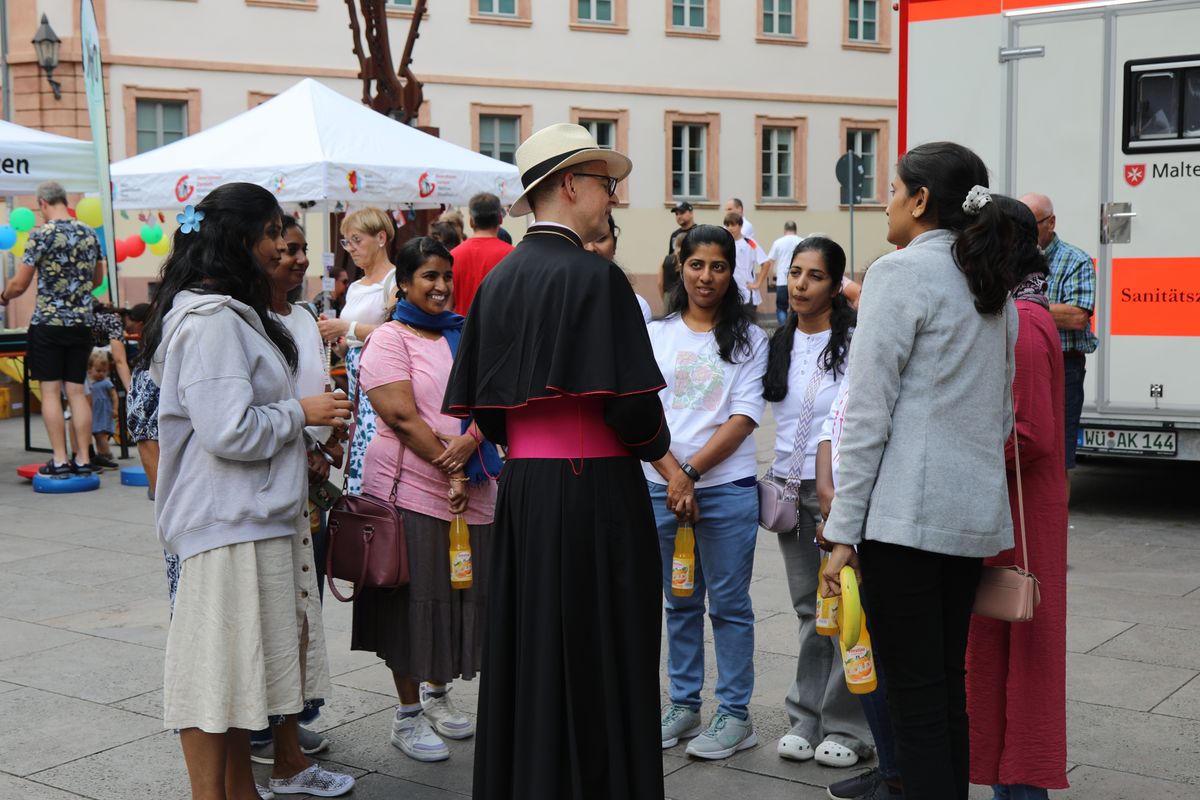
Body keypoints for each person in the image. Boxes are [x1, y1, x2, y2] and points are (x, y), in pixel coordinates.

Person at [444, 123, 671, 800]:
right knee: (604, 646)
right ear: (571, 184)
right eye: (606, 183)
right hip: (595, 490)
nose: (613, 197)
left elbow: (487, 413)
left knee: (532, 646)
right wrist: (663, 456)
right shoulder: (598, 278)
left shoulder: (497, 281)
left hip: (526, 490)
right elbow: (633, 412)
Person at [139, 182, 354, 800]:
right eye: (271, 233)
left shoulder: (226, 314)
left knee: (236, 682)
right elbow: (227, 429)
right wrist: (301, 412)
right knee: (213, 681)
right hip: (229, 523)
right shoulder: (210, 323)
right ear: (239, 239)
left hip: (249, 517)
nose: (280, 247)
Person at [821, 143, 1020, 800]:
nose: (886, 203)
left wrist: (842, 530)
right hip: (968, 518)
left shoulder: (899, 273)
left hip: (905, 520)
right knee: (944, 691)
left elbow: (867, 413)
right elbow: (1001, 413)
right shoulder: (990, 282)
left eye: (892, 189)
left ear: (921, 199)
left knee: (915, 703)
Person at [351, 236, 498, 763]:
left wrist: (471, 443)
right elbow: (401, 416)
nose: (440, 286)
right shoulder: (388, 338)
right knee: (414, 603)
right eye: (429, 277)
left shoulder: (464, 332)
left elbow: (494, 399)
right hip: (409, 491)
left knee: (458, 595)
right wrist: (451, 466)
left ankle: (437, 695)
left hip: (472, 487)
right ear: (404, 284)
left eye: (446, 276)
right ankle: (407, 714)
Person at [647, 224, 768, 759]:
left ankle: (736, 714)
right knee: (679, 601)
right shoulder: (657, 333)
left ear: (732, 272)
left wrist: (689, 474)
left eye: (718, 266)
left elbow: (743, 417)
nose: (706, 276)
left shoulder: (750, 339)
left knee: (730, 605)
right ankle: (684, 704)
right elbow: (642, 414)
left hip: (724, 490)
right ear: (682, 266)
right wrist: (672, 474)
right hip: (660, 487)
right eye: (697, 264)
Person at [967, 196, 1069, 800]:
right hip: (1013, 506)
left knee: (1020, 653)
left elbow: (1029, 434)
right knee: (999, 652)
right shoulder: (1021, 310)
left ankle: (1021, 787)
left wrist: (960, 449)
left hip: (1021, 511)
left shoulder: (1025, 321)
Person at [761, 236, 869, 769]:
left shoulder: (854, 342)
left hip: (840, 492)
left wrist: (836, 497)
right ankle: (805, 717)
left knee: (847, 608)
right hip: (789, 489)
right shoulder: (777, 341)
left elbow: (851, 420)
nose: (801, 285)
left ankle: (849, 727)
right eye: (795, 273)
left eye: (815, 276)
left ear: (835, 284)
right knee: (810, 609)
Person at [0, 180, 104, 475]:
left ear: (43, 203)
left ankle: (59, 460)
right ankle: (83, 459)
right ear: (64, 200)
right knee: (76, 391)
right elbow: (97, 280)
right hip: (81, 323)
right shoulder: (88, 233)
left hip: (49, 323)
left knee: (50, 392)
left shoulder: (41, 235)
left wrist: (4, 296)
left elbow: (19, 284)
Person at [1019, 192, 1096, 499]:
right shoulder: (1011, 257)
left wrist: (1024, 306)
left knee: (1058, 457)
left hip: (1064, 366)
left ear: (1050, 223)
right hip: (1021, 364)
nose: (1024, 233)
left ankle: (1055, 521)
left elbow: (1077, 316)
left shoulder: (1076, 260)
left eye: (1031, 225)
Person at [318, 207, 397, 496]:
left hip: (382, 381)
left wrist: (345, 327)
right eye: (346, 241)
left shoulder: (394, 281)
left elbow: (395, 333)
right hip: (357, 385)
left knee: (379, 449)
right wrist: (339, 341)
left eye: (356, 240)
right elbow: (353, 343)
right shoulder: (354, 287)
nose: (350, 248)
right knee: (361, 449)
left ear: (381, 238)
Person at [451, 192, 513, 316]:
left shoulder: (452, 256)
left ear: (471, 221)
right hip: (502, 327)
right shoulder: (513, 256)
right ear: (500, 219)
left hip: (462, 326)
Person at [586, 213, 652, 323]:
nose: (591, 248)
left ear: (615, 244)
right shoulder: (558, 301)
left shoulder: (637, 306)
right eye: (584, 239)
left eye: (600, 239)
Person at [724, 213, 767, 316]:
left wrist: (757, 284)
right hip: (730, 293)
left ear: (740, 226)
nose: (730, 228)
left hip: (747, 293)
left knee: (748, 323)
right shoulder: (724, 244)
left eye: (733, 225)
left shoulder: (750, 242)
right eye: (728, 225)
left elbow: (766, 263)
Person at [762, 221, 804, 325]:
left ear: (784, 230)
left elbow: (770, 262)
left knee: (781, 308)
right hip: (798, 281)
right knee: (797, 307)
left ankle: (784, 329)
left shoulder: (778, 242)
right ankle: (796, 328)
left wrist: (770, 279)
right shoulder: (802, 242)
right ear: (796, 230)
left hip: (782, 281)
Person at [85, 351, 118, 469]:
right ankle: (100, 454)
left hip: (103, 413)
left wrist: (115, 408)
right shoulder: (89, 383)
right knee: (96, 435)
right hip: (94, 413)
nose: (101, 374)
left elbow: (114, 396)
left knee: (101, 435)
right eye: (98, 371)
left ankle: (106, 454)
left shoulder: (106, 383)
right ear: (90, 369)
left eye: (104, 371)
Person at [659, 230, 686, 311]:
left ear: (675, 243)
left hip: (668, 296)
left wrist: (664, 298)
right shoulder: (687, 261)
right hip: (683, 296)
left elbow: (660, 283)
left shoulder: (665, 260)